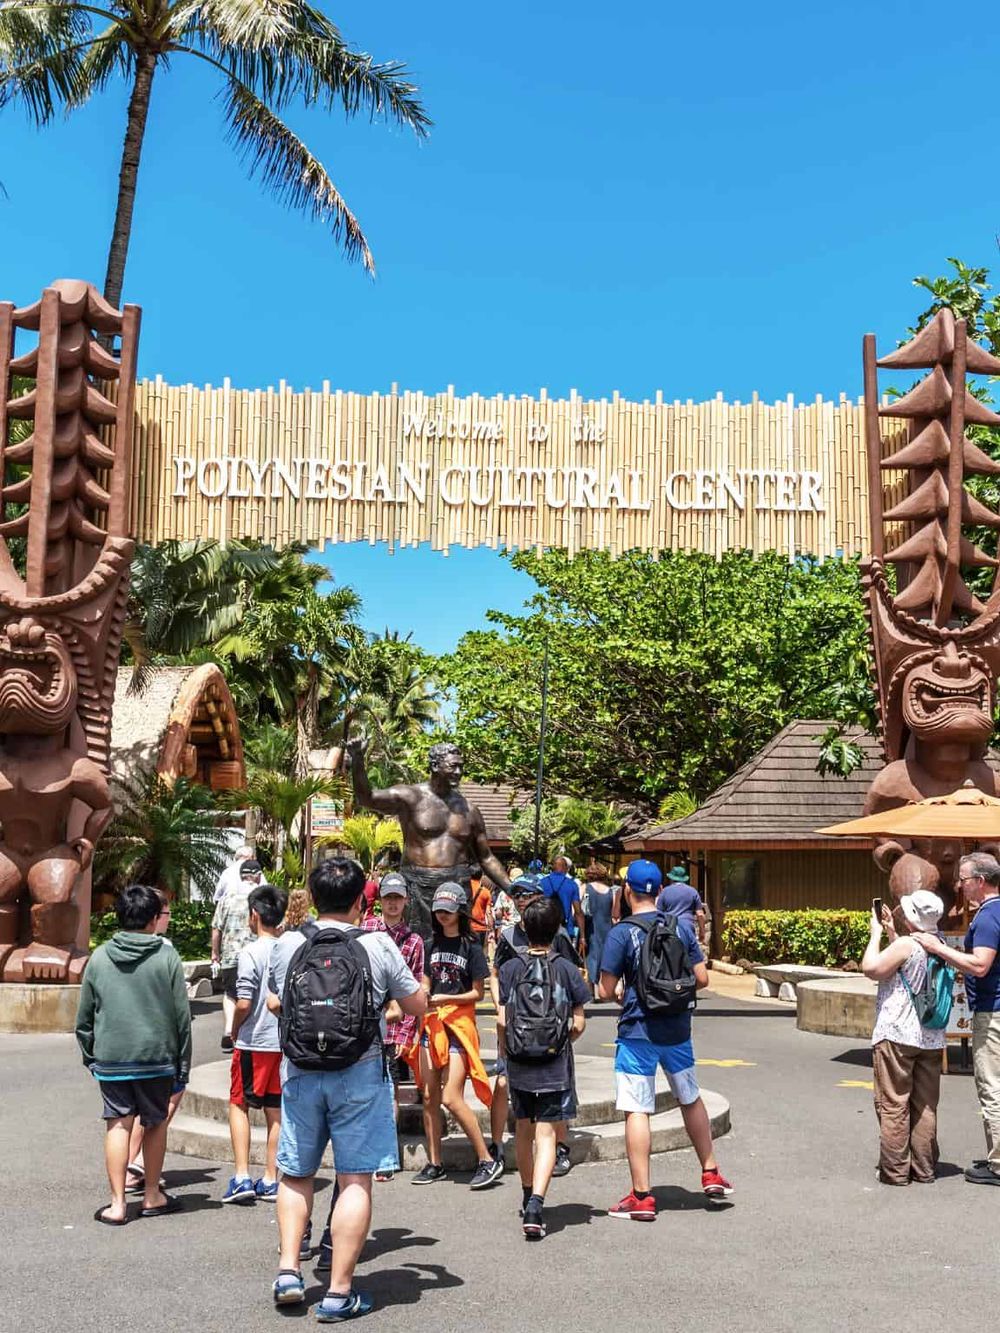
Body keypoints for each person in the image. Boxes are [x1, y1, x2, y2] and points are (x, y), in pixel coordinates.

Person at [267, 857, 426, 1318]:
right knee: (354, 1177)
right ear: (363, 900)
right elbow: (415, 1003)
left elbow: (279, 1003)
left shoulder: (288, 944)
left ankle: (288, 1271)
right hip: (359, 1071)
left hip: (300, 1072)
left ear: (312, 899)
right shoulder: (378, 945)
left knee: (296, 1174)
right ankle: (338, 1292)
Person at [597, 859, 732, 1218]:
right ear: (658, 891)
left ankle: (642, 1196)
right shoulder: (680, 929)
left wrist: (622, 990)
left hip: (637, 1031)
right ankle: (710, 1171)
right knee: (690, 1097)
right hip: (677, 1029)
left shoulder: (621, 933)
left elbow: (605, 988)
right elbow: (702, 979)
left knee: (637, 1108)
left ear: (628, 892)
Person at [75, 883, 192, 1224]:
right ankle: (153, 1195)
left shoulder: (99, 957)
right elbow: (181, 1017)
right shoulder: (166, 955)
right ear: (155, 919)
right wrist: (182, 1064)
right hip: (156, 1056)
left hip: (112, 1057)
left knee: (118, 1124)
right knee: (154, 1124)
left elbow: (84, 1017)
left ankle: (117, 1203)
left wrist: (91, 1056)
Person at [348, 737, 511, 941]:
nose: (459, 772)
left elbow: (486, 858)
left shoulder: (469, 810)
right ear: (435, 765)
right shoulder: (410, 797)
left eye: (461, 767)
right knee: (416, 944)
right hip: (418, 883)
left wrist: (512, 888)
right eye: (453, 766)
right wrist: (357, 759)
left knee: (458, 945)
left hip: (457, 883)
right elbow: (367, 798)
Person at [497, 895, 588, 1240]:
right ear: (556, 929)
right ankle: (537, 1203)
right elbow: (579, 1022)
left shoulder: (510, 969)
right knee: (547, 1135)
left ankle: (525, 1190)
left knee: (523, 1129)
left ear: (524, 927)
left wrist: (510, 1052)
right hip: (554, 1063)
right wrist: (560, 1042)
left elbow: (504, 1020)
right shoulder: (565, 968)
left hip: (519, 1064)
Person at [915, 851, 1000, 1185]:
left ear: (980, 881)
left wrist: (938, 949)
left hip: (992, 1012)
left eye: (963, 880)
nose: (959, 886)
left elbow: (980, 964)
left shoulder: (988, 917)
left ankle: (998, 1164)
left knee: (992, 1087)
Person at [410, 882, 502, 1189]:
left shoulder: (471, 947)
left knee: (451, 1096)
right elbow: (425, 979)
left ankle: (487, 1158)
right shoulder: (429, 943)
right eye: (438, 910)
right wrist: (424, 992)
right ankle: (434, 1162)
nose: (442, 916)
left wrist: (445, 1000)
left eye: (448, 911)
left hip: (458, 1026)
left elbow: (478, 992)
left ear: (459, 911)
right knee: (428, 1095)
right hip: (432, 1023)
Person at [492, 874, 583, 1178]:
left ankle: (556, 1153)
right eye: (516, 894)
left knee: (542, 1112)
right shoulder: (507, 938)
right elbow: (496, 974)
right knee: (531, 1103)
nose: (521, 899)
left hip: (537, 1034)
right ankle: (534, 1185)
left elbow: (571, 976)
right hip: (524, 1031)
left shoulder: (558, 941)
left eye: (527, 894)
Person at [861, 890, 947, 1185]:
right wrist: (891, 932)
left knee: (894, 1101)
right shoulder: (940, 943)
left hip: (897, 1032)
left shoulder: (909, 945)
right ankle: (924, 1168)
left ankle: (896, 1171)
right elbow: (912, 965)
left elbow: (871, 968)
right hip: (931, 1036)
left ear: (911, 917)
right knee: (924, 1104)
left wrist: (875, 935)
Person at [222, 884, 289, 1204]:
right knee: (276, 1111)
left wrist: (233, 1029)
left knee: (239, 1105)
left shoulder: (250, 953)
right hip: (281, 1043)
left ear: (254, 915)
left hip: (253, 1043)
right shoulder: (289, 950)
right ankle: (271, 1177)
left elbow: (244, 1002)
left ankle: (241, 1175)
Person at [362, 870, 425, 1182]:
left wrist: (405, 1032)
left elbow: (412, 990)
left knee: (390, 1089)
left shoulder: (413, 942)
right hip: (364, 1022)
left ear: (406, 901)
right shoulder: (365, 930)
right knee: (364, 1088)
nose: (392, 904)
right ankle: (364, 1150)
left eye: (398, 898)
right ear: (380, 900)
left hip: (394, 1024)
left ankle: (387, 1155)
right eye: (388, 897)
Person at [126, 890, 186, 1192]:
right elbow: (179, 1009)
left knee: (123, 1116)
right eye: (165, 914)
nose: (168, 919)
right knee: (157, 1108)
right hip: (157, 1047)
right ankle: (137, 1167)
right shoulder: (164, 950)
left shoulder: (110, 951)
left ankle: (126, 1175)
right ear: (153, 917)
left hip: (120, 1048)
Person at [212, 859, 262, 1052]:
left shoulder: (227, 898)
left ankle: (228, 1031)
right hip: (255, 954)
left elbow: (216, 929)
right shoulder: (259, 898)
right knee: (252, 993)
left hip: (230, 956)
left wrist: (215, 954)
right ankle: (246, 1034)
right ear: (257, 876)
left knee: (230, 994)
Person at [582, 862, 619, 994]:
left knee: (590, 955)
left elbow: (578, 910)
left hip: (589, 926)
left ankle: (591, 988)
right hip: (606, 927)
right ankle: (604, 987)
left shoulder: (585, 888)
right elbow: (615, 913)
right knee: (604, 955)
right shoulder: (610, 891)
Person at [540, 855, 586, 952]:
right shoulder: (572, 884)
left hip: (544, 928)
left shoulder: (541, 883)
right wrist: (582, 936)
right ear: (565, 868)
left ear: (553, 867)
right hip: (565, 929)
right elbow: (578, 912)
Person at [655, 865, 707, 944]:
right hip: (687, 929)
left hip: (669, 930)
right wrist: (702, 932)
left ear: (671, 878)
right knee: (692, 955)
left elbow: (658, 913)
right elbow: (700, 914)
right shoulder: (692, 891)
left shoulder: (665, 892)